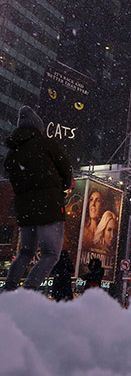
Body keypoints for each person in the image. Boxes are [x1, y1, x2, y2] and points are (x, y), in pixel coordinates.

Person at [3, 106, 73, 292]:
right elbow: (65, 169)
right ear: (37, 127)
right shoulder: (46, 144)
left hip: (25, 209)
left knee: (25, 252)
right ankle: (28, 290)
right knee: (51, 254)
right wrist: (65, 185)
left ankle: (8, 289)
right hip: (49, 206)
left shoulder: (12, 153)